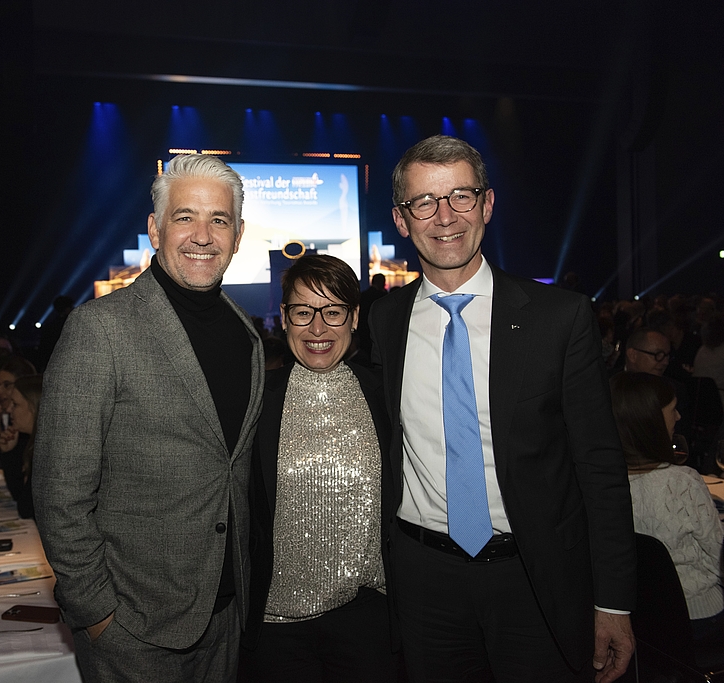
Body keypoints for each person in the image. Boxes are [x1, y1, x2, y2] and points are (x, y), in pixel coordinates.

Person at [368, 135, 636, 682]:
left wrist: (614, 602)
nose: (445, 216)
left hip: (535, 579)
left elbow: (600, 469)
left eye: (461, 196)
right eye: (424, 202)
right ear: (401, 219)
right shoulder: (384, 320)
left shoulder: (559, 318)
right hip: (424, 582)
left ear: (487, 205)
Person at [35, 153, 264, 682]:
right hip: (134, 632)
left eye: (219, 220)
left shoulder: (245, 335)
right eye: (185, 217)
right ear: (155, 229)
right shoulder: (101, 330)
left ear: (239, 233)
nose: (202, 235)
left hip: (227, 619)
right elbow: (58, 492)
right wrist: (98, 616)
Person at [243, 255, 396, 682]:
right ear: (285, 318)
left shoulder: (385, 394)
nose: (317, 328)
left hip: (367, 622)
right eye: (303, 312)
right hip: (275, 632)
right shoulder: (257, 403)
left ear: (354, 317)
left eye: (332, 312)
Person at [610, 372, 724, 644]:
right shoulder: (682, 483)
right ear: (650, 422)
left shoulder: (599, 486)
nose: (679, 417)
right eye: (672, 410)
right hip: (697, 620)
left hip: (635, 620)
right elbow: (718, 558)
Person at [0, 374, 44, 520]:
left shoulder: (48, 450)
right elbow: (18, 495)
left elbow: (26, 509)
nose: (8, 410)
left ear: (34, 408)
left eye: (15, 404)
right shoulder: (32, 442)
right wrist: (9, 453)